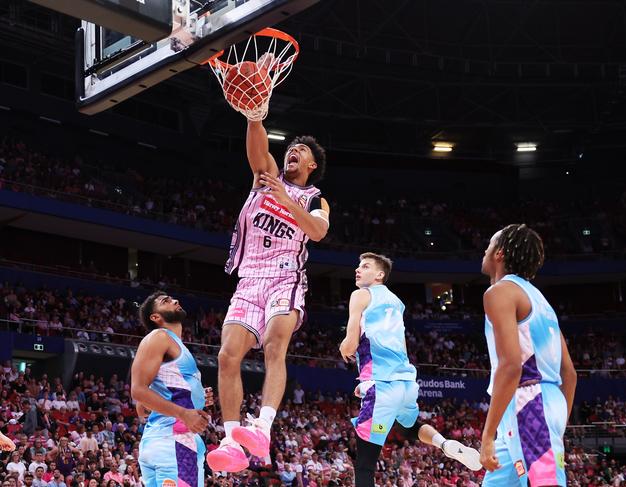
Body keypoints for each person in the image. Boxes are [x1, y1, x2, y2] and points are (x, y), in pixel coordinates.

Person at [208, 118, 329, 473]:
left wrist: (285, 201)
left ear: (312, 166)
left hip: (284, 277)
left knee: (276, 347)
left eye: (302, 150)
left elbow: (318, 231)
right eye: (291, 146)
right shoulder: (269, 176)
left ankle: (261, 427)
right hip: (249, 280)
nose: (294, 150)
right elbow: (258, 150)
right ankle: (231, 441)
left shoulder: (315, 198)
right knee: (227, 357)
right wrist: (253, 115)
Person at [338, 252, 482, 487]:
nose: (358, 269)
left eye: (365, 266)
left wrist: (344, 347)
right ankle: (444, 444)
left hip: (381, 385)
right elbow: (402, 346)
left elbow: (351, 342)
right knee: (408, 428)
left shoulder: (360, 295)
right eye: (358, 266)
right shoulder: (397, 302)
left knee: (364, 465)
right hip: (405, 383)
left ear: (379, 275)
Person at [479, 224, 577, 486]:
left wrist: (487, 435)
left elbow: (511, 366)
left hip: (528, 402)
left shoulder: (499, 292)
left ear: (499, 253)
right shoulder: (541, 301)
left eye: (489, 245)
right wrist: (556, 423)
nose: (484, 250)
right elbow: (569, 374)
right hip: (547, 402)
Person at [131, 291, 211, 487]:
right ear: (155, 317)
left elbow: (142, 405)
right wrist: (184, 412)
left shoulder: (174, 344)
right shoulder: (160, 337)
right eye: (166, 301)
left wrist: (197, 397)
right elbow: (138, 391)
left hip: (161, 440)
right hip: (175, 441)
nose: (175, 300)